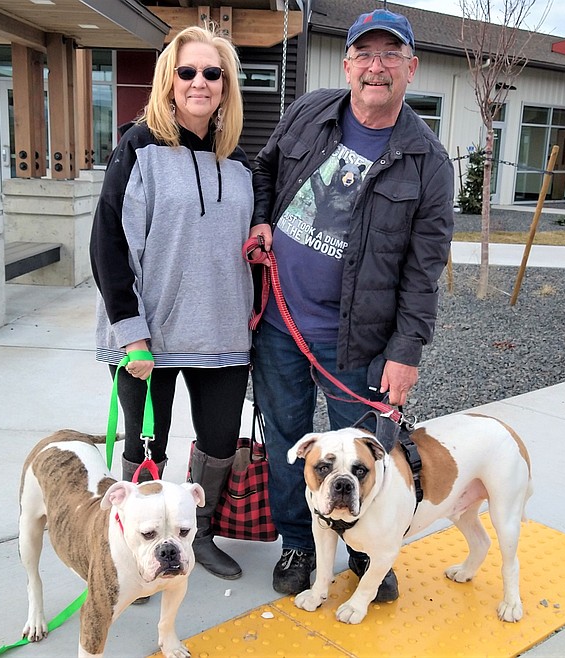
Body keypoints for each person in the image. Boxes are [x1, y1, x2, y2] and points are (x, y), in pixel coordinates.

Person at [248, 8, 454, 600]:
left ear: (411, 69)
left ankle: (367, 550)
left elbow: (423, 271)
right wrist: (262, 219)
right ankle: (298, 541)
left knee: (367, 452)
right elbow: (265, 168)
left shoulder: (428, 162)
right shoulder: (311, 110)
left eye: (391, 56)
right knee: (290, 439)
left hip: (357, 339)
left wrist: (405, 351)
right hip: (282, 325)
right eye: (366, 54)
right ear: (347, 64)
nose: (377, 67)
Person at [90, 25, 253, 580]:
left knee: (217, 443)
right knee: (146, 450)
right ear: (168, 81)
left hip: (223, 337)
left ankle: (197, 536)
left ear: (226, 86)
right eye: (187, 72)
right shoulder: (138, 148)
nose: (200, 82)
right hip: (148, 340)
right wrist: (130, 333)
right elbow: (108, 244)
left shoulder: (240, 163)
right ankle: (134, 549)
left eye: (213, 73)